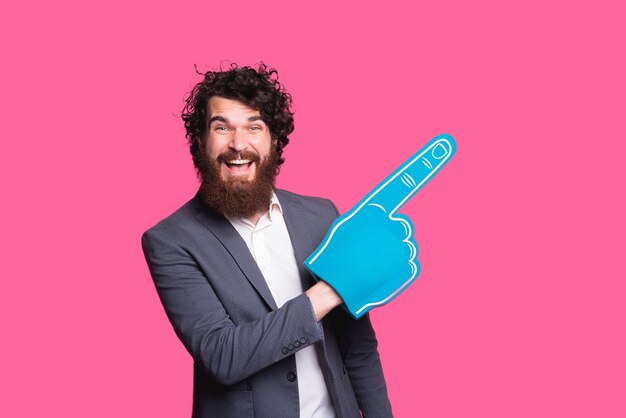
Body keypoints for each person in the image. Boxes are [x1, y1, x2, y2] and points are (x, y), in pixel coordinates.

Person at [142, 63, 393, 418]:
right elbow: (222, 355)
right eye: (221, 127)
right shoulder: (170, 240)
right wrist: (327, 294)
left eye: (253, 127)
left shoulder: (321, 216)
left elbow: (358, 347)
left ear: (274, 140)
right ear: (200, 141)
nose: (238, 144)